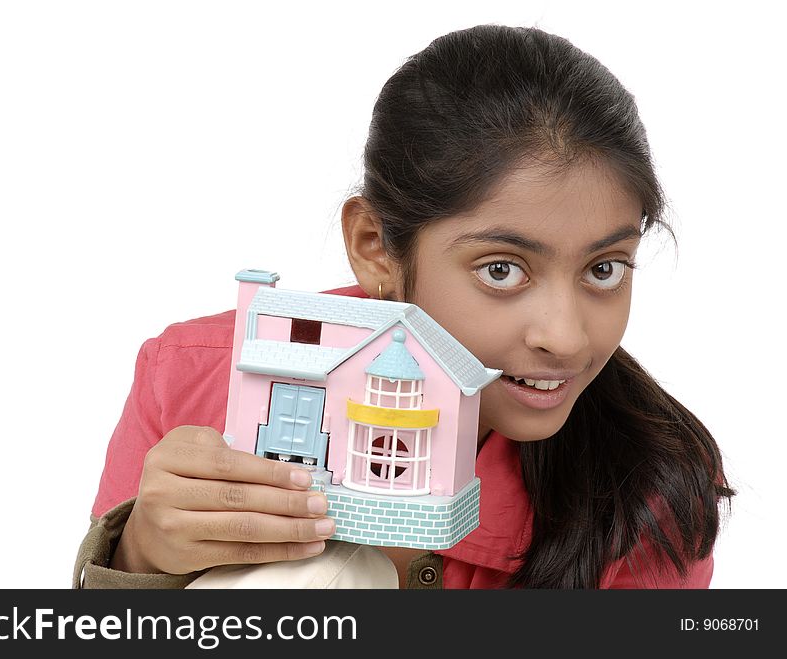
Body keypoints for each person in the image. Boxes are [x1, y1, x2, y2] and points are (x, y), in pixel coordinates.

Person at [73, 23, 733, 589]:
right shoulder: (189, 379)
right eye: (501, 270)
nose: (564, 337)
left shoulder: (651, 488)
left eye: (603, 268)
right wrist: (138, 557)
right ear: (375, 247)